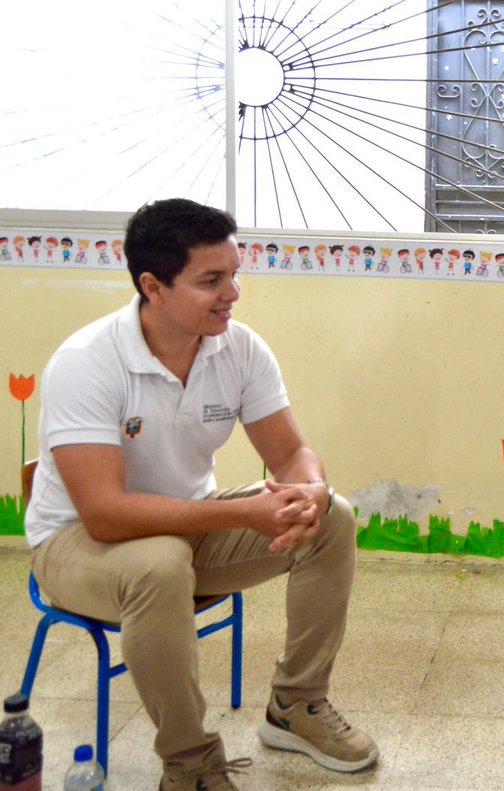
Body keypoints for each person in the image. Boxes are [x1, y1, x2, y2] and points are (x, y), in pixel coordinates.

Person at [24, 198, 378, 791]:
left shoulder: (238, 347)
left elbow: (289, 452)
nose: (232, 293)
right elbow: (105, 516)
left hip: (187, 532)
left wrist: (310, 489)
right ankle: (190, 766)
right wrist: (246, 511)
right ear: (153, 286)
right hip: (77, 544)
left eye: (235, 274)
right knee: (159, 566)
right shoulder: (87, 363)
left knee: (334, 518)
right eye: (211, 280)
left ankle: (296, 705)